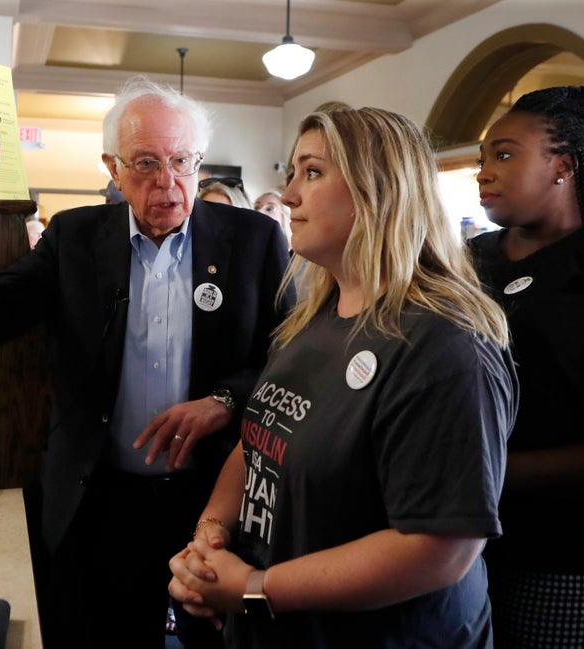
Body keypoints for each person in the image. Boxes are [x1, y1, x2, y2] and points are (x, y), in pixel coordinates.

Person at [0, 76, 292, 649]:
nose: (168, 181)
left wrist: (226, 401)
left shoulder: (253, 240)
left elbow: (288, 360)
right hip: (100, 499)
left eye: (182, 160)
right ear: (113, 168)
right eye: (147, 162)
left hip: (212, 502)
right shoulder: (75, 237)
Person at [168, 106, 519, 648]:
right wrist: (209, 539)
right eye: (293, 175)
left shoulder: (444, 344)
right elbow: (261, 440)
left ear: (378, 190)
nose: (288, 197)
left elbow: (439, 548)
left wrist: (257, 588)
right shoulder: (313, 317)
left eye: (312, 172)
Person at [470, 85, 584, 648]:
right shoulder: (470, 257)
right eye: (483, 158)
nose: (485, 171)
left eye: (504, 154)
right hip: (451, 538)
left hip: (565, 552)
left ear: (563, 165)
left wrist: (494, 473)